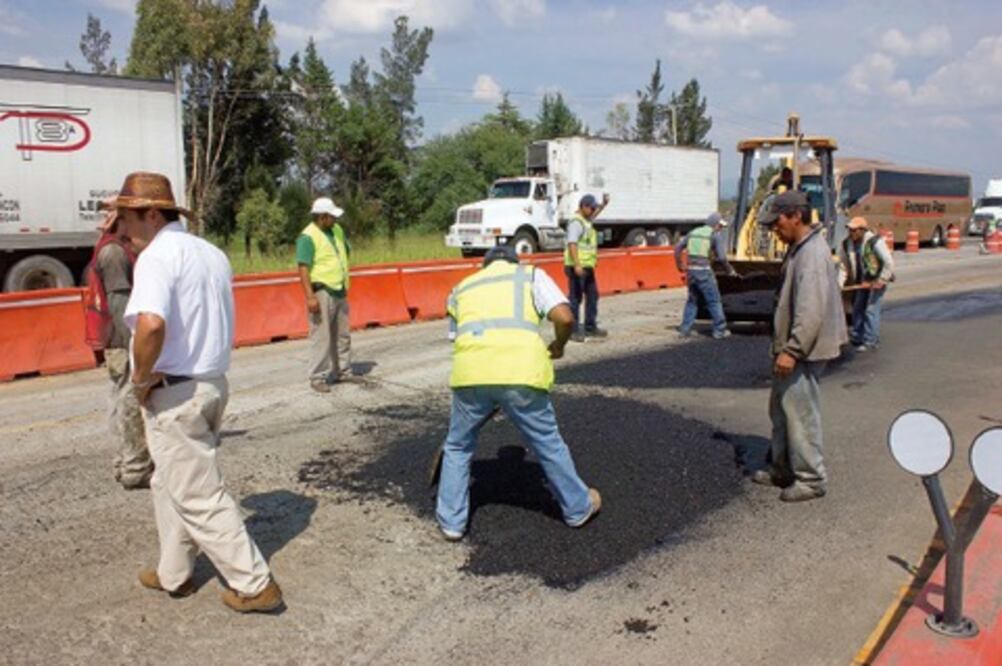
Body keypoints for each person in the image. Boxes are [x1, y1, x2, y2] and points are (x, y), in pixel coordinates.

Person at [117, 172, 282, 612]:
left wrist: (140, 378)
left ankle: (254, 583)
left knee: (199, 493)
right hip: (210, 384)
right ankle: (175, 573)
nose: (121, 229)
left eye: (126, 217)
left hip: (175, 391)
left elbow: (151, 324)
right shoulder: (210, 253)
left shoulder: (157, 257)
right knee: (168, 480)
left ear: (152, 214)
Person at [436, 245, 602, 540]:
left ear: (485, 266)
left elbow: (455, 336)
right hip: (520, 375)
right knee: (548, 444)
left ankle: (451, 522)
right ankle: (578, 509)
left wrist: (489, 390)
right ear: (515, 261)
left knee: (458, 448)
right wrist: (559, 346)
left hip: (471, 376)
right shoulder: (530, 276)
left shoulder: (461, 287)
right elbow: (564, 318)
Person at [752, 191, 847, 503]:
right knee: (780, 410)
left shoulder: (813, 255)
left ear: (795, 215)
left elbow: (810, 310)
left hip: (804, 352)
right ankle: (782, 468)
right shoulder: (798, 249)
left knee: (800, 413)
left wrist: (792, 351)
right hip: (792, 348)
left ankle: (811, 479)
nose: (773, 230)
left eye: (776, 222)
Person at [87, 199, 154, 489]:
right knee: (128, 398)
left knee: (118, 399)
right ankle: (135, 466)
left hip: (113, 335)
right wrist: (136, 342)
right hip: (120, 336)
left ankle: (124, 460)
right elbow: (119, 302)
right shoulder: (114, 252)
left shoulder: (112, 246)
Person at [297, 197, 352, 393]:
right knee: (322, 336)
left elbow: (344, 252)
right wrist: (310, 296)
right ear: (322, 217)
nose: (335, 220)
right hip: (321, 291)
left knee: (343, 335)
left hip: (339, 289)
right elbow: (303, 268)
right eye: (332, 217)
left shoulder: (336, 231)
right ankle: (318, 376)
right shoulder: (307, 237)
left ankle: (342, 371)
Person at [674, 212, 738, 339]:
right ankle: (719, 331)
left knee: (692, 301)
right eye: (720, 225)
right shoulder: (714, 235)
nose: (721, 228)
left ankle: (684, 330)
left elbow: (677, 248)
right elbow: (721, 257)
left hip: (691, 273)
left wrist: (680, 265)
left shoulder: (693, 232)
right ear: (715, 224)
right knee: (714, 301)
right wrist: (730, 271)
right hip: (704, 272)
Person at [838, 217, 893, 352]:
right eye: (849, 230)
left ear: (862, 230)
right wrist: (838, 285)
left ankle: (870, 340)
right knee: (858, 307)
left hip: (877, 278)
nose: (851, 233)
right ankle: (857, 337)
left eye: (854, 230)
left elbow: (888, 262)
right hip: (862, 280)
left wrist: (882, 280)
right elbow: (843, 267)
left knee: (870, 309)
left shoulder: (874, 242)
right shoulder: (846, 244)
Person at [564, 193, 610, 341]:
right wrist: (577, 264)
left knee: (592, 295)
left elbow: (594, 215)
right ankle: (573, 330)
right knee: (575, 299)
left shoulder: (586, 220)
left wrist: (603, 204)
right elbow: (572, 244)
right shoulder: (576, 223)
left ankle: (590, 327)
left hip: (588, 267)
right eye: (591, 208)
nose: (593, 210)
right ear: (583, 206)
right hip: (578, 267)